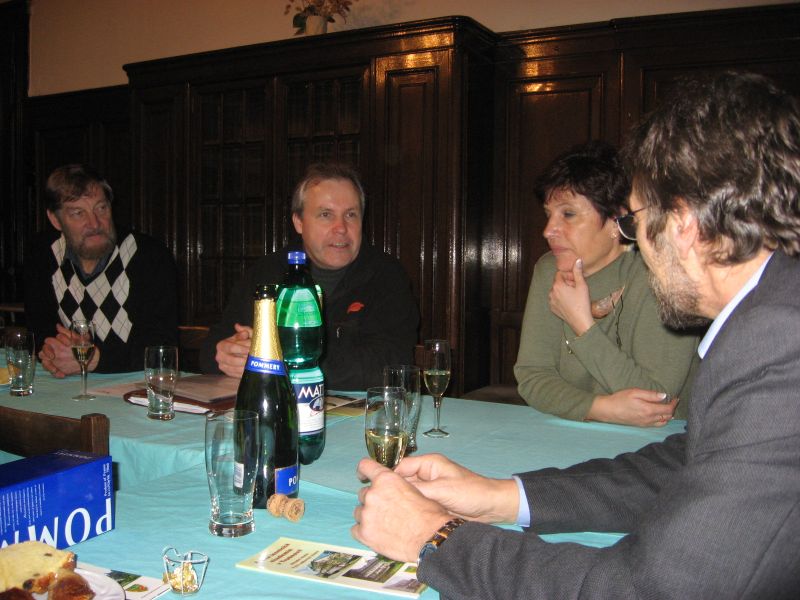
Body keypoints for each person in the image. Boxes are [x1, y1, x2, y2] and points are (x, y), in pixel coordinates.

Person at [351, 72, 800, 598]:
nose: (638, 245)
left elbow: (650, 590)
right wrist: (502, 497)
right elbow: (684, 463)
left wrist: (437, 537)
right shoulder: (771, 322)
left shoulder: (780, 348)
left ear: (683, 221)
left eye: (634, 221)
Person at [514, 141, 701, 425]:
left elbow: (657, 400)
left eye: (568, 214)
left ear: (617, 222)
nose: (548, 230)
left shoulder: (661, 275)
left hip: (664, 439)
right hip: (574, 431)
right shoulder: (548, 270)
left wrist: (581, 324)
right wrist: (601, 408)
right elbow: (532, 377)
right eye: (548, 214)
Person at [200, 162, 419, 390]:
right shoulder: (267, 272)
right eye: (326, 214)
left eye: (351, 215)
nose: (341, 228)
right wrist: (226, 355)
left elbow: (391, 364)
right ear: (299, 222)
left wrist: (282, 358)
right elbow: (212, 347)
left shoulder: (386, 276)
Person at [25, 164, 179, 375]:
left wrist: (94, 359)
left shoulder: (149, 257)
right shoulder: (43, 256)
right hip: (66, 384)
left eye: (101, 208)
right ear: (55, 219)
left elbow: (162, 348)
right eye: (78, 213)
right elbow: (41, 332)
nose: (94, 223)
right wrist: (51, 353)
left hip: (133, 387)